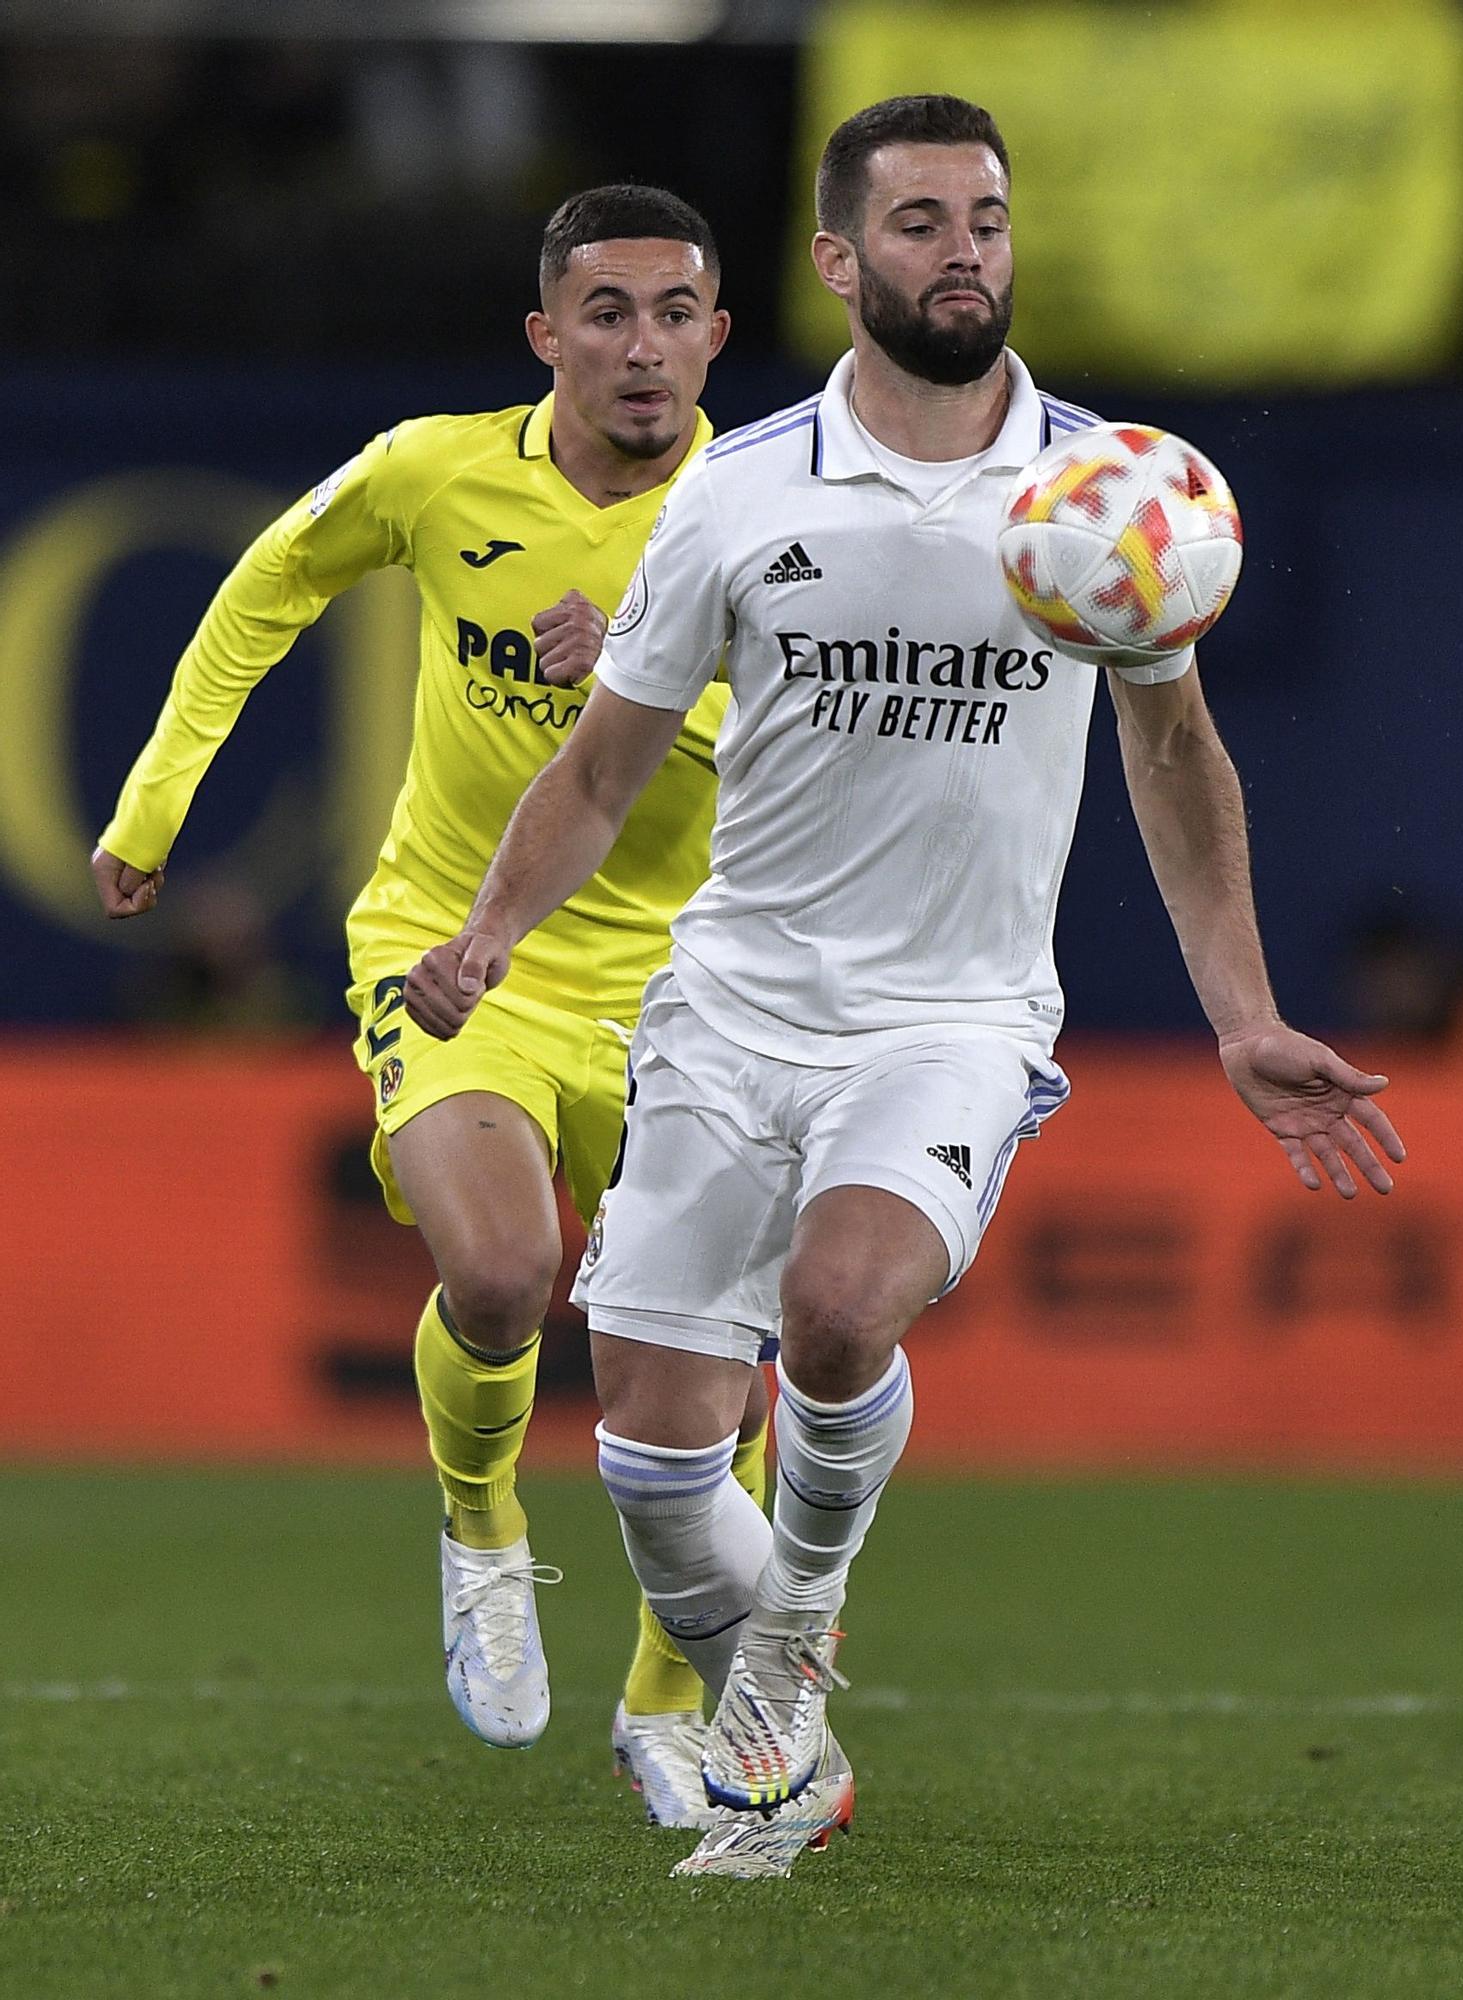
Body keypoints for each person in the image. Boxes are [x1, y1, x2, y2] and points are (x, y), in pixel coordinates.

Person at [404, 95, 1408, 1878]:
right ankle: (769, 1716)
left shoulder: (1107, 495)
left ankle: (787, 1658)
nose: (968, 253)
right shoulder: (735, 495)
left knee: (839, 1310)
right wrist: (485, 936)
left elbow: (1176, 762)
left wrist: (1242, 1013)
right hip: (725, 1009)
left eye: (991, 219)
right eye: (927, 221)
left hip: (948, 1020)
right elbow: (600, 770)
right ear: (838, 259)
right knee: (647, 1459)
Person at [89, 183, 768, 1829]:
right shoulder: (433, 468)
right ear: (545, 336)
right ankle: (478, 1531)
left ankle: (669, 1713)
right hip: (462, 945)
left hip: (701, 982)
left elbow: (828, 764)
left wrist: (648, 680)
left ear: (718, 337)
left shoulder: (767, 517)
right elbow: (264, 586)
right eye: (604, 313)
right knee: (501, 1266)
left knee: (720, 1379)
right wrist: (155, 802)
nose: (642, 348)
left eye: (674, 312)